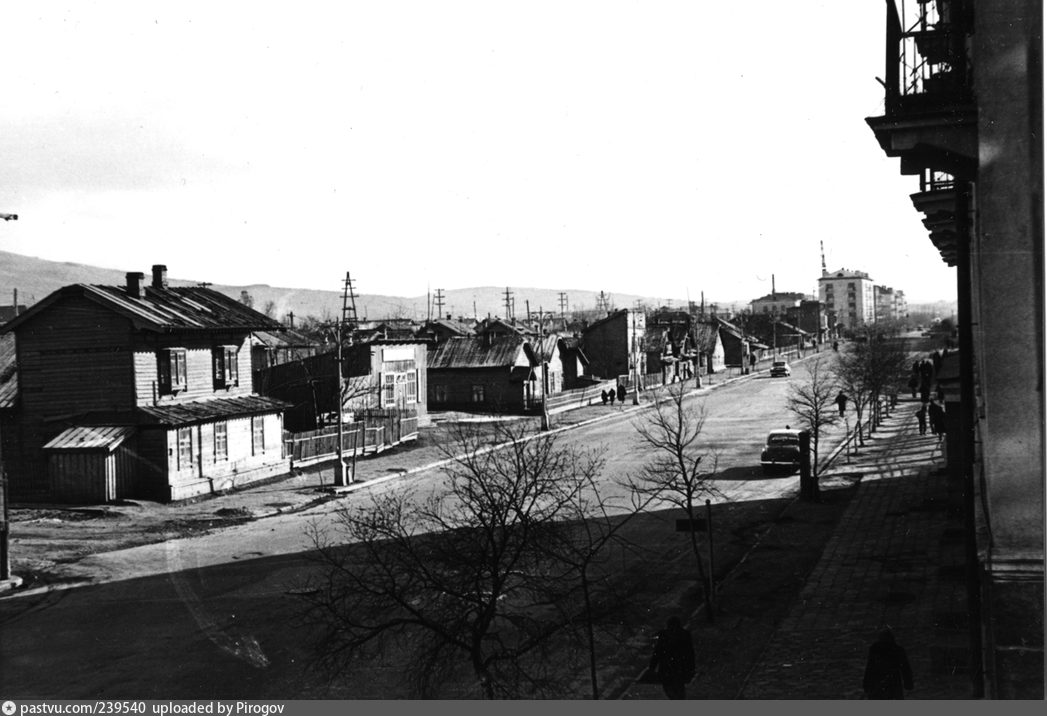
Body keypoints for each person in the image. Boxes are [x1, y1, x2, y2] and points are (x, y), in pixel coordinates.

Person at [648, 616, 695, 700]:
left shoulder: (664, 636)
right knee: (678, 692)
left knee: (671, 691)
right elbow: (690, 654)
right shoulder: (684, 635)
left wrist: (652, 667)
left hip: (668, 668)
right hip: (679, 668)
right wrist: (691, 669)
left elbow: (657, 653)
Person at [863, 628, 913, 699]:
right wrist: (908, 683)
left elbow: (869, 668)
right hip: (892, 683)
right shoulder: (897, 650)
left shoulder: (875, 649)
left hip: (879, 683)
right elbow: (905, 668)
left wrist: (866, 685)